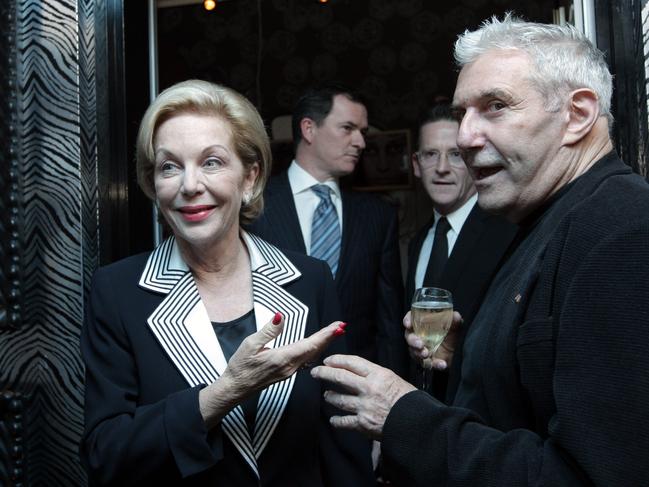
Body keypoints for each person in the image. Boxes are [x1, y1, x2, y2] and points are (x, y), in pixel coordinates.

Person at [311, 14, 649, 487]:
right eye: (461, 113)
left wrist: (402, 415)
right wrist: (463, 355)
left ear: (577, 114)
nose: (466, 137)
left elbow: (594, 475)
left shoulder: (621, 230)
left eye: (495, 106)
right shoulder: (539, 219)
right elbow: (523, 405)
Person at [80, 80, 372, 486]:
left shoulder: (309, 280)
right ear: (154, 184)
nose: (189, 185)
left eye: (212, 162)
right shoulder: (118, 292)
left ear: (250, 177)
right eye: (169, 166)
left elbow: (342, 439)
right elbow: (105, 455)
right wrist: (222, 393)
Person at [247, 83, 408, 378]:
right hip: (272, 384)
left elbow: (388, 321)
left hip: (355, 385)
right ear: (309, 129)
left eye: (363, 131)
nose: (360, 142)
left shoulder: (377, 216)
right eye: (348, 128)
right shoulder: (254, 207)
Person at [406, 103, 517, 401]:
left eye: (455, 154)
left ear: (472, 160)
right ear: (416, 165)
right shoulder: (418, 242)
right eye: (431, 154)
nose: (442, 168)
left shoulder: (507, 234)